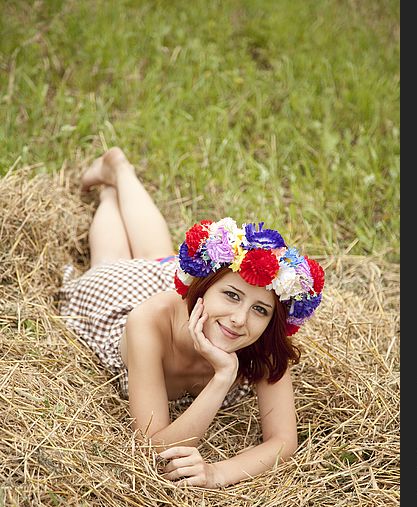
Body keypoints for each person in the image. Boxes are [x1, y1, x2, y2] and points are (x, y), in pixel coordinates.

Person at [59, 147, 324, 488]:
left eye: (260, 309)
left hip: (188, 299)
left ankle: (119, 172)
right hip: (125, 296)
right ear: (202, 289)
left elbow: (283, 441)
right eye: (232, 296)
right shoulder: (148, 321)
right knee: (112, 260)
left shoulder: (263, 342)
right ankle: (113, 182)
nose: (240, 319)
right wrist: (221, 379)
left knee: (157, 255)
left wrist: (217, 472)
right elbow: (152, 448)